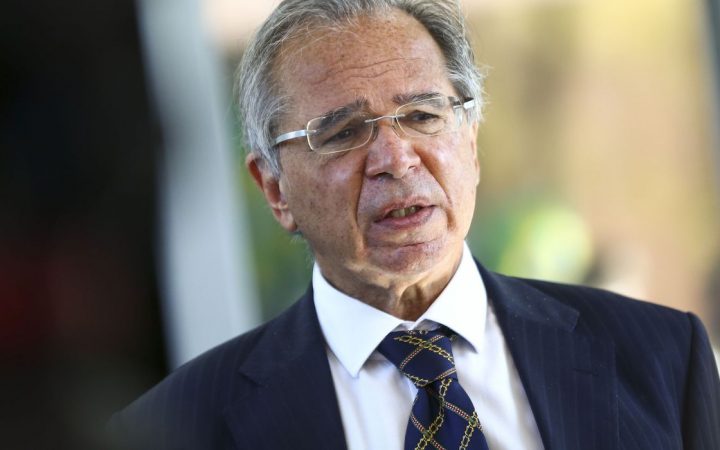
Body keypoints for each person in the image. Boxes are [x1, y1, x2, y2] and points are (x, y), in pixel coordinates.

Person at [109, 0, 720, 448]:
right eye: (343, 132)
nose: (396, 159)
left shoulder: (664, 358)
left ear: (470, 143)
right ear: (274, 188)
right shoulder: (169, 430)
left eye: (423, 115)